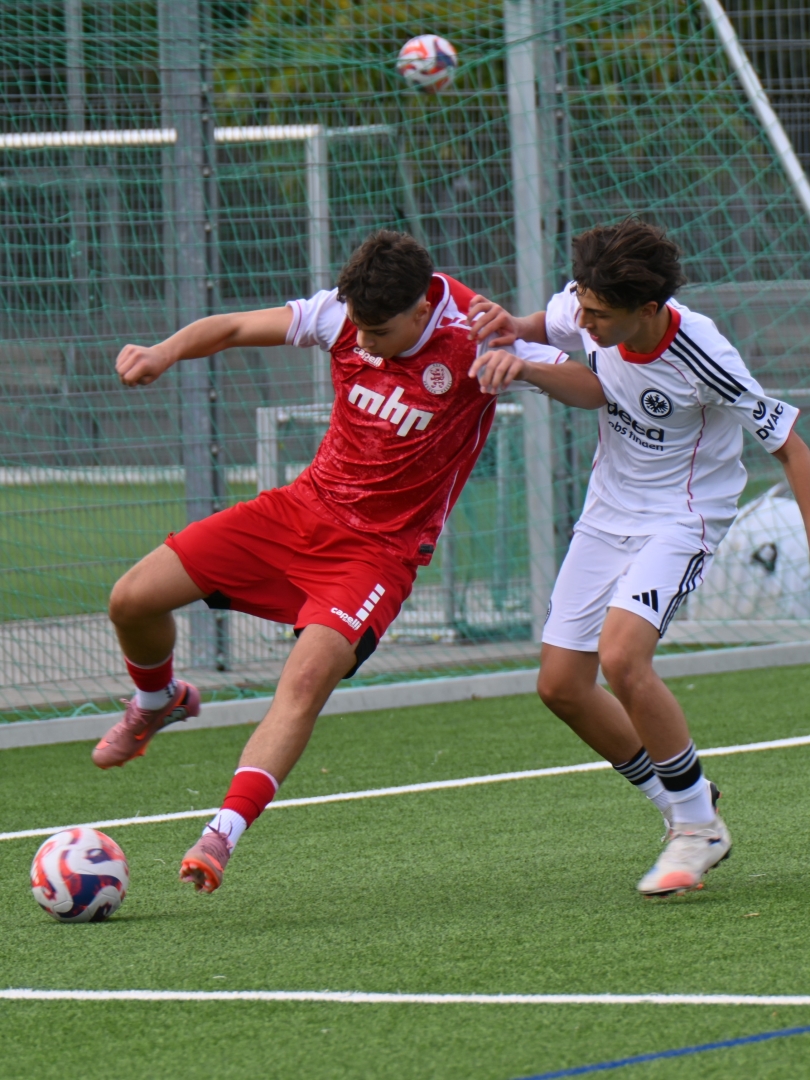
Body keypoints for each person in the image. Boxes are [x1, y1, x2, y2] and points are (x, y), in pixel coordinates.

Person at [93, 229, 605, 893]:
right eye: (357, 326)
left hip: (376, 556)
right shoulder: (343, 314)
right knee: (131, 599)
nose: (362, 341)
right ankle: (157, 700)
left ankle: (221, 833)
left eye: (378, 332)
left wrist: (526, 368)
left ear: (423, 311)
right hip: (299, 511)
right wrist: (163, 352)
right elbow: (234, 327)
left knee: (303, 683)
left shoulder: (480, 332)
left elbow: (591, 388)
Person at [469, 217, 810, 896]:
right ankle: (686, 805)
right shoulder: (587, 306)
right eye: (582, 305)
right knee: (561, 687)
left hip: (682, 518)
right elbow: (587, 376)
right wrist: (520, 341)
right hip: (607, 513)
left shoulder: (705, 355)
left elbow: (792, 448)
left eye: (598, 315)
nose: (583, 321)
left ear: (647, 310)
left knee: (623, 657)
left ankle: (697, 829)